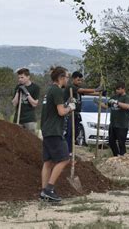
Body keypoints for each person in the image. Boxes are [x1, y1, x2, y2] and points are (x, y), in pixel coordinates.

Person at [40, 66, 76, 202]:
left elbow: (54, 111)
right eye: (67, 77)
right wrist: (70, 108)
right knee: (64, 159)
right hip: (54, 131)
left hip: (47, 130)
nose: (67, 79)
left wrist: (67, 106)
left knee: (48, 162)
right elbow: (61, 112)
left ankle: (44, 192)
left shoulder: (49, 90)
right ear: (61, 78)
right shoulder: (57, 91)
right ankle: (49, 189)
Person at [63, 71, 104, 154]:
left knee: (76, 133)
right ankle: (67, 151)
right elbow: (83, 90)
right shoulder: (71, 87)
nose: (80, 82)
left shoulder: (78, 90)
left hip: (77, 113)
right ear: (73, 79)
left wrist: (100, 92)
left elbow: (87, 92)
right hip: (70, 113)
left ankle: (70, 150)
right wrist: (96, 89)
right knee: (69, 133)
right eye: (78, 80)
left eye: (81, 80)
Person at [101, 82, 129, 157]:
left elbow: (127, 106)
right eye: (116, 89)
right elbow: (106, 106)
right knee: (111, 141)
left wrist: (117, 102)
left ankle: (123, 156)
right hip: (113, 124)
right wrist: (99, 102)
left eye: (118, 89)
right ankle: (116, 155)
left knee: (121, 143)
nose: (117, 91)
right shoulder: (113, 97)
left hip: (122, 124)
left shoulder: (127, 97)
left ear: (123, 89)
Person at [11, 68, 40, 135]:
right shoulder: (18, 86)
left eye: (22, 77)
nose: (20, 79)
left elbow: (34, 104)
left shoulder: (35, 87)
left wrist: (26, 93)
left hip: (29, 120)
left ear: (28, 77)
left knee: (31, 140)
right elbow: (14, 103)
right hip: (18, 119)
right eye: (19, 78)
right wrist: (18, 92)